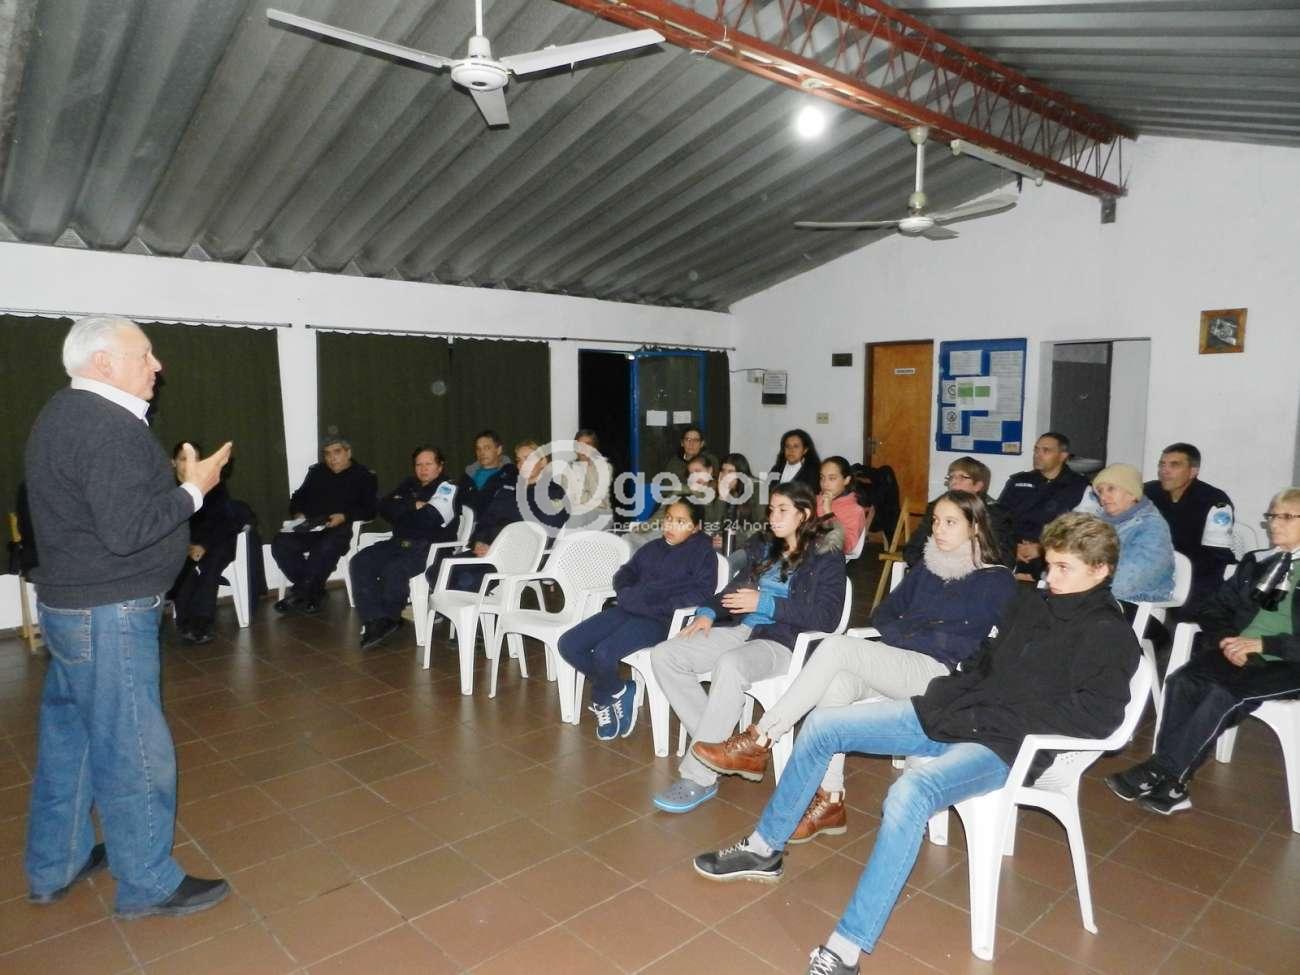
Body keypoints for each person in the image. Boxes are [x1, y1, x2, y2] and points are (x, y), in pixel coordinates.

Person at [693, 513, 1139, 974]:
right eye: (1050, 565)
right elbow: (984, 661)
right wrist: (951, 693)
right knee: (824, 724)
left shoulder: (1109, 634)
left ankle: (846, 949)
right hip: (955, 713)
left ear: (1101, 570)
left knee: (909, 792)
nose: (1050, 577)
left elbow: (1098, 717)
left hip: (1004, 747)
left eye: (1064, 568)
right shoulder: (1032, 605)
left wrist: (1000, 714)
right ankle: (764, 848)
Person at [24, 315, 233, 918]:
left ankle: (55, 864)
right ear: (103, 362)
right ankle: (147, 880)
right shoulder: (107, 426)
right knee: (134, 746)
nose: (157, 365)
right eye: (144, 354)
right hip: (107, 613)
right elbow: (126, 532)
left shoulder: (63, 413)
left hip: (74, 607)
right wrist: (194, 489)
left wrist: (177, 486)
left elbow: (108, 511)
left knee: (71, 743)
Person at [691, 491, 1016, 840]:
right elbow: (884, 614)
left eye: (950, 522)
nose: (938, 529)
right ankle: (831, 800)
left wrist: (918, 635)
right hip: (898, 659)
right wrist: (907, 634)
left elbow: (983, 640)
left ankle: (762, 737)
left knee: (835, 647)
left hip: (939, 672)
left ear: (975, 526)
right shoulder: (928, 567)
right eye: (936, 521)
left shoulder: (994, 580)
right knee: (836, 687)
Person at [649, 482, 847, 813]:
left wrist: (766, 604)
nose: (773, 517)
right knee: (665, 655)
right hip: (742, 629)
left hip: (783, 640)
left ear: (804, 514)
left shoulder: (826, 556)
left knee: (730, 664)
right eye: (771, 510)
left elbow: (826, 617)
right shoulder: (766, 547)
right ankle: (722, 747)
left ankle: (700, 775)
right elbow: (735, 588)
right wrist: (709, 612)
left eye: (782, 510)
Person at [1107, 487, 1300, 817]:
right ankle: (1171, 779)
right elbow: (1214, 609)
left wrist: (1264, 645)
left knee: (1225, 695)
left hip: (1288, 661)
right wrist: (1227, 640)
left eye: (1286, 517)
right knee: (1182, 680)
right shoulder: (1257, 562)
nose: (1274, 523)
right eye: (1272, 516)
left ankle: (1166, 773)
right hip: (1239, 651)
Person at [558, 498, 718, 740]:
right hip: (629, 609)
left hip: (661, 620)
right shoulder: (653, 548)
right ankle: (619, 689)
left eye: (680, 521)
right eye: (668, 519)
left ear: (696, 527)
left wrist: (659, 605)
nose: (670, 526)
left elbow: (702, 593)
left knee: (603, 653)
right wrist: (625, 592)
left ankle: (602, 696)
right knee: (569, 644)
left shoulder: (703, 554)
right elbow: (625, 573)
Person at [351, 445, 459, 650]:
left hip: (428, 547)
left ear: (440, 466)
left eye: (428, 464)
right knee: (360, 561)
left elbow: (430, 519)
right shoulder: (409, 484)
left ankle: (389, 617)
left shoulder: (448, 487)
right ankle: (376, 619)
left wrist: (402, 511)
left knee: (394, 568)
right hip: (398, 542)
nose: (423, 469)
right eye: (419, 464)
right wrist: (413, 505)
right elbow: (383, 506)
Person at [271, 435, 377, 614]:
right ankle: (314, 591)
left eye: (337, 452)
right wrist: (298, 513)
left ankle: (300, 593)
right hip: (311, 525)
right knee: (280, 543)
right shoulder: (317, 472)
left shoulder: (363, 475)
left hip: (340, 527)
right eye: (327, 454)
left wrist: (344, 516)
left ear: (348, 453)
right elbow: (298, 497)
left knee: (325, 547)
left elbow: (370, 509)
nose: (332, 458)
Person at [1144, 442, 1236, 618]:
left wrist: (1177, 571)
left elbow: (1216, 555)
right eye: (1162, 464)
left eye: (1174, 465)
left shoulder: (1215, 501)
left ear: (1193, 471)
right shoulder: (1149, 492)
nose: (1164, 471)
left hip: (1199, 574)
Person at [168, 440, 241, 645]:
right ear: (173, 462)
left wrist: (203, 545)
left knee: (211, 566)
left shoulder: (213, 486)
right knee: (182, 567)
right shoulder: (166, 489)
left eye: (195, 459)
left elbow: (225, 522)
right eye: (183, 459)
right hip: (184, 545)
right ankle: (185, 623)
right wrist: (187, 546)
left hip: (216, 542)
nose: (190, 464)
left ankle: (202, 623)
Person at [1075, 463, 1175, 604]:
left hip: (1133, 603)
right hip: (1096, 596)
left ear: (1132, 493)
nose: (1103, 497)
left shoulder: (1152, 527)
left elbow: (1131, 579)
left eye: (1111, 489)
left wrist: (1079, 585)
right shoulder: (1098, 523)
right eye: (1100, 491)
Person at [997, 432, 1089, 581]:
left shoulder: (1079, 486)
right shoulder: (1019, 481)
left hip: (1053, 556)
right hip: (1012, 553)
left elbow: (1081, 530)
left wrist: (1041, 549)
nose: (1038, 455)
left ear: (1063, 456)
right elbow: (999, 519)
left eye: (1046, 450)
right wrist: (1012, 548)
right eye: (1036, 449)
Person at [903, 457, 1015, 569]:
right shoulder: (937, 508)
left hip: (977, 572)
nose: (954, 482)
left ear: (978, 486)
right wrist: (935, 567)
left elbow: (1004, 559)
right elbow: (912, 549)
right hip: (936, 568)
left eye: (962, 477)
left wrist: (964, 569)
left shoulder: (996, 514)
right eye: (951, 477)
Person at [718, 453, 764, 577]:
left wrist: (735, 539)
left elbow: (762, 525)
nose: (725, 476)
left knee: (725, 565)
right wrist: (721, 497)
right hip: (729, 544)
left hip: (753, 545)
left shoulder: (758, 489)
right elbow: (715, 524)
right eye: (723, 470)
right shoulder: (727, 490)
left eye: (730, 472)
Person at [561, 428, 613, 528]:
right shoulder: (568, 470)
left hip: (600, 513)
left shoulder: (605, 467)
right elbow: (569, 498)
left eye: (588, 444)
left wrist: (589, 467)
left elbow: (598, 496)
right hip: (576, 513)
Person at [817, 456, 868, 557]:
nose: (825, 484)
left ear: (846, 480)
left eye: (832, 478)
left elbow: (846, 546)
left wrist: (828, 513)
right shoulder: (814, 500)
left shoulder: (855, 511)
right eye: (822, 478)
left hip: (827, 558)